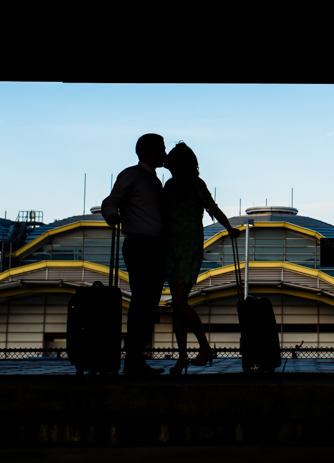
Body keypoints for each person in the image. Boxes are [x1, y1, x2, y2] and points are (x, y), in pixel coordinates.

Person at [161, 141, 240, 375]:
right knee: (177, 305)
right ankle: (183, 357)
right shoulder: (169, 185)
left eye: (173, 154)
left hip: (187, 247)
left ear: (181, 160)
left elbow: (212, 208)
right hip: (172, 247)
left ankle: (203, 348)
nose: (168, 156)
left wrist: (228, 227)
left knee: (178, 302)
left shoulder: (195, 184)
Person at [101, 133, 167, 378]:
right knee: (143, 302)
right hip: (141, 244)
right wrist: (110, 215)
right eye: (161, 148)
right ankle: (133, 359)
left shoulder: (152, 179)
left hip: (151, 245)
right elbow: (111, 200)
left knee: (147, 304)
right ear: (150, 150)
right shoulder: (133, 175)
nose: (164, 152)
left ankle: (135, 358)